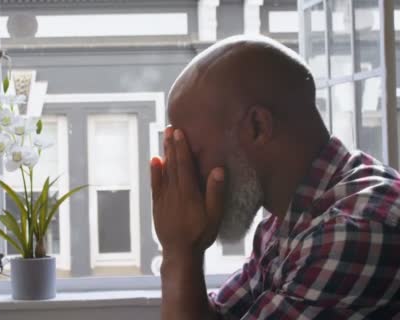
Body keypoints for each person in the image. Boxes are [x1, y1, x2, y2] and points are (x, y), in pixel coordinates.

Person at [150, 35, 400, 319]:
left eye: (190, 155)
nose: (186, 177)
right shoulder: (288, 220)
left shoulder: (352, 232)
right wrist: (186, 253)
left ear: (257, 126)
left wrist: (179, 250)